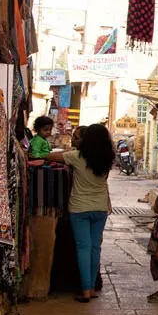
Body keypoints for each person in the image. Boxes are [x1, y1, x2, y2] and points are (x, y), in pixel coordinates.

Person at [45, 124, 114, 302]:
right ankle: (91, 288)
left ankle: (85, 290)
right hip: (100, 208)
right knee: (94, 248)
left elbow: (48, 156)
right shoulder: (108, 158)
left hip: (79, 208)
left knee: (83, 248)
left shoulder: (76, 156)